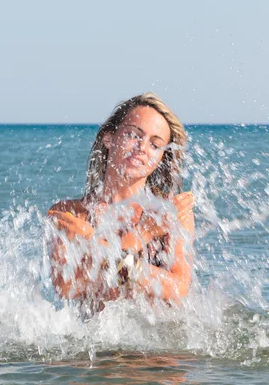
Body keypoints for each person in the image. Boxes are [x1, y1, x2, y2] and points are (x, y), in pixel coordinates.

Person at [48, 93, 195, 310]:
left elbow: (178, 288)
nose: (142, 148)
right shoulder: (70, 213)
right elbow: (67, 287)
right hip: (94, 338)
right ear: (109, 138)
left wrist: (93, 242)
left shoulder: (167, 211)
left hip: (153, 337)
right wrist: (141, 235)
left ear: (161, 158)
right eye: (133, 135)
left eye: (155, 145)